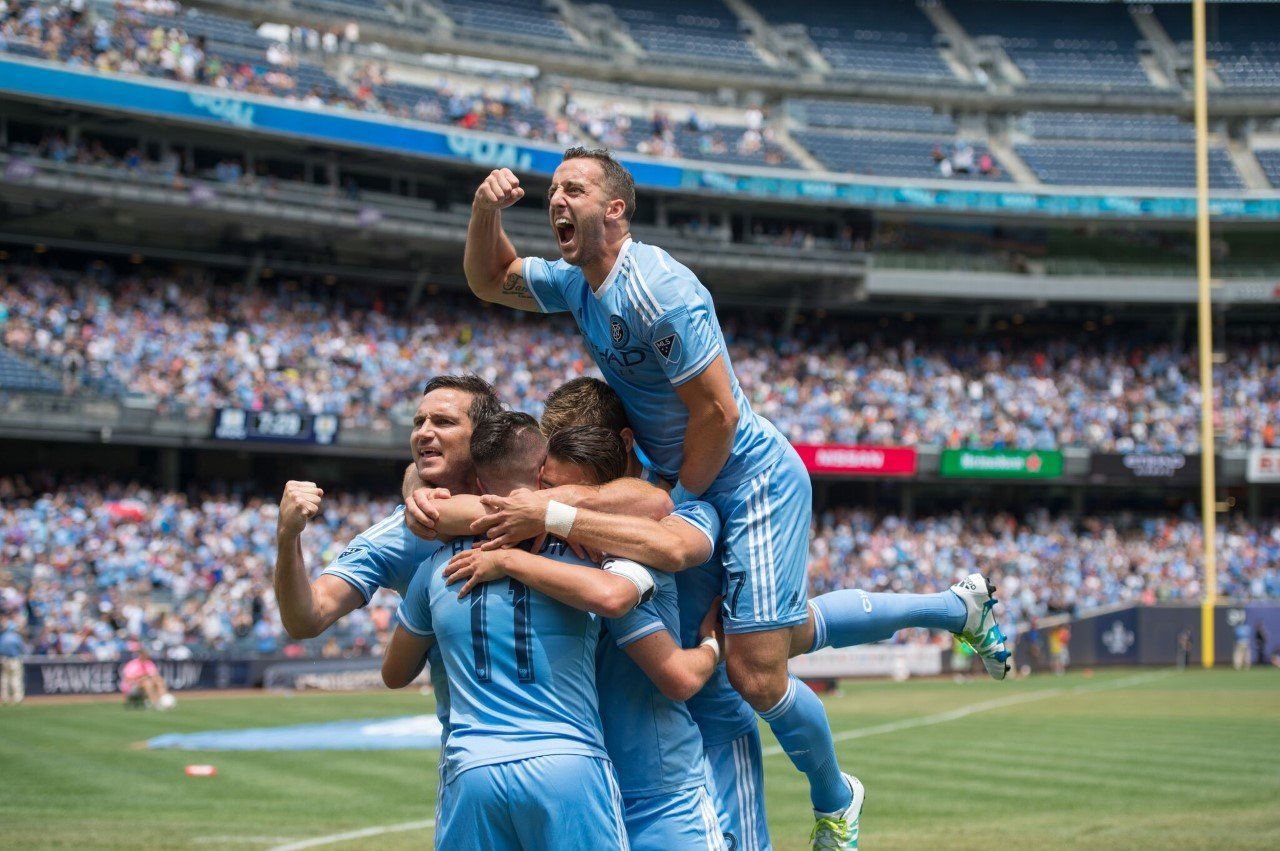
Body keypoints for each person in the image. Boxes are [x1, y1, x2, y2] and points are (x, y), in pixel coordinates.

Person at [464, 150, 1010, 847]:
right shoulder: (578, 285)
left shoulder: (657, 289)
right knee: (763, 640)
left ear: (615, 209)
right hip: (686, 474)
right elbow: (490, 277)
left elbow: (719, 413)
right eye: (552, 191)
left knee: (754, 671)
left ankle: (837, 797)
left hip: (747, 480)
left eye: (575, 188)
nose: (555, 200)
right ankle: (956, 608)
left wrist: (672, 501)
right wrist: (484, 210)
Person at [443, 423, 727, 850]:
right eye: (544, 487)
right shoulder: (552, 550)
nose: (545, 498)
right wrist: (420, 500)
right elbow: (445, 513)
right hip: (584, 788)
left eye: (563, 493)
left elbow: (676, 672)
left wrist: (714, 644)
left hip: (660, 792)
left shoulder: (631, 553)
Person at [382, 412, 630, 849]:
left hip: (473, 769)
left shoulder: (434, 570)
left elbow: (394, 673)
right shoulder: (585, 549)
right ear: (543, 477)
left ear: (479, 484)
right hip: (567, 762)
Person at [0, 619, 26, 705]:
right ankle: (17, 698)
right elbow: (21, 648)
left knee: (4, 679)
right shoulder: (16, 637)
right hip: (14, 659)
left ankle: (5, 697)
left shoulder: (3, 637)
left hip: (4, 660)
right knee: (16, 678)